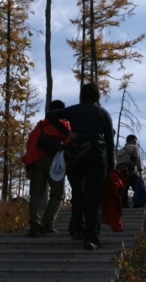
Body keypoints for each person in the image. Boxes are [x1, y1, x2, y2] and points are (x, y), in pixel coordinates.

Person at [46, 82, 115, 251]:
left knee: (78, 193)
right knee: (93, 196)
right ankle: (91, 237)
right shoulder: (104, 113)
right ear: (97, 97)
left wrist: (67, 132)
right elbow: (109, 143)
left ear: (81, 96)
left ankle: (77, 229)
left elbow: (50, 115)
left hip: (75, 154)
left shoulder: (73, 110)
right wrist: (111, 166)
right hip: (97, 155)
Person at [22, 99, 70, 237]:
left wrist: (28, 167)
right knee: (57, 193)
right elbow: (68, 142)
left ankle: (35, 220)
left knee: (36, 193)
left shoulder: (38, 128)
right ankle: (47, 223)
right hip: (54, 161)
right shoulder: (63, 124)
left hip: (36, 161)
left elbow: (30, 146)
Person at [116, 134, 143, 209]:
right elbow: (138, 159)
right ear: (130, 140)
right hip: (132, 172)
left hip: (122, 173)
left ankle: (124, 206)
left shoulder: (120, 151)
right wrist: (139, 170)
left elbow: (117, 161)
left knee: (124, 190)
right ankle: (137, 205)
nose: (135, 142)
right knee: (138, 188)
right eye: (134, 140)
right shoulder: (135, 148)